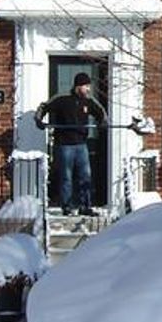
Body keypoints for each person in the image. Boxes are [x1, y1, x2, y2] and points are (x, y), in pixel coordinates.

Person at [34, 72, 106, 215]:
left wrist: (102, 123)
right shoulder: (62, 100)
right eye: (86, 86)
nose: (88, 89)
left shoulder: (88, 101)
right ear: (78, 86)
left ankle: (85, 206)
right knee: (66, 177)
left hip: (81, 145)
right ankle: (66, 206)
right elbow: (44, 107)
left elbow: (101, 113)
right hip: (64, 145)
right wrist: (39, 120)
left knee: (85, 177)